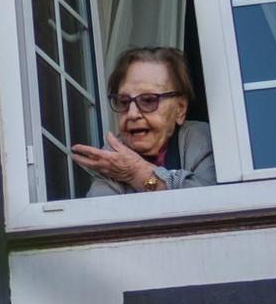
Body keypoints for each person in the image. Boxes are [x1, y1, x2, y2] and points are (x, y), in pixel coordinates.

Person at [71, 46, 215, 194]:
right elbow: (101, 213)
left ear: (180, 109)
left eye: (148, 100)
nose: (132, 114)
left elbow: (212, 202)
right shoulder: (114, 157)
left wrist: (137, 172)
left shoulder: (202, 139)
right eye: (124, 102)